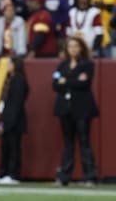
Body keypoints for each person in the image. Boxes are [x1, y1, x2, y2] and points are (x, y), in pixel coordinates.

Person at [53, 36, 99, 187]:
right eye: (70, 46)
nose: (73, 49)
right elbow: (55, 84)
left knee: (84, 141)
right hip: (65, 108)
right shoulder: (62, 65)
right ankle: (64, 176)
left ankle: (90, 176)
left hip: (82, 108)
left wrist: (66, 81)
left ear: (81, 48)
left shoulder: (87, 65)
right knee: (68, 143)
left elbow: (84, 82)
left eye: (76, 46)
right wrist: (73, 80)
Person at [0, 56, 29, 185]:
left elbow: (16, 104)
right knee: (4, 148)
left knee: (14, 148)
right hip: (6, 118)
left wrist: (10, 120)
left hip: (14, 120)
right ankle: (2, 173)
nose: (7, 65)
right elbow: (5, 101)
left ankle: (13, 174)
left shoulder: (19, 81)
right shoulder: (9, 79)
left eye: (10, 63)